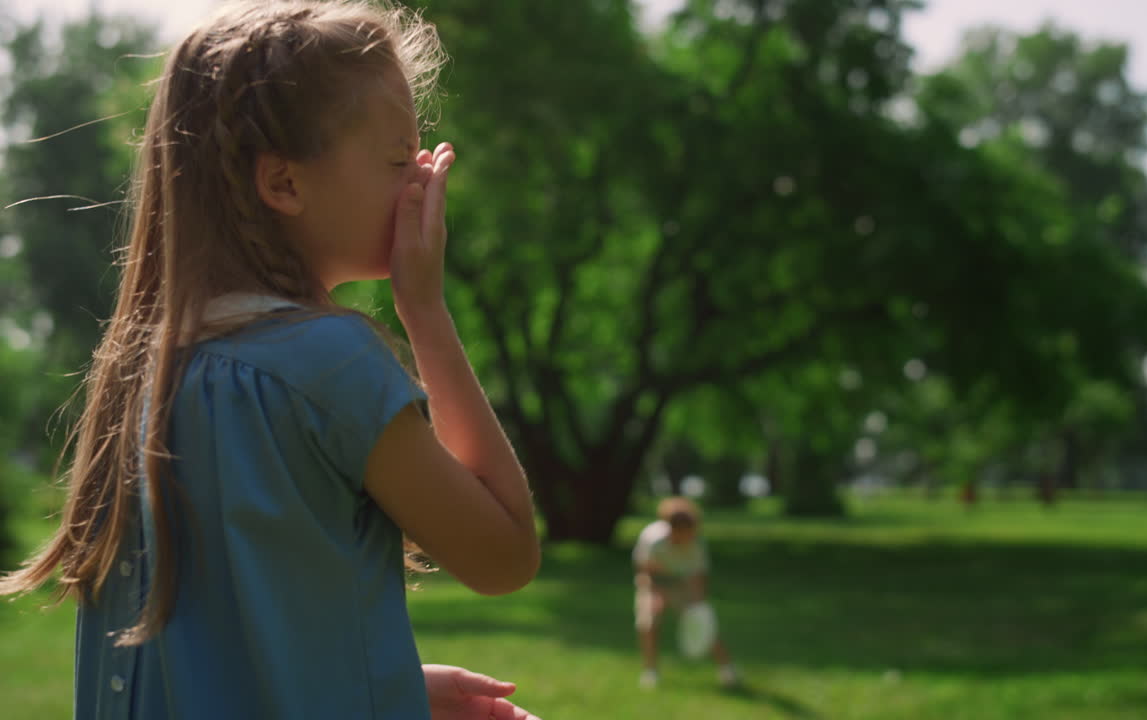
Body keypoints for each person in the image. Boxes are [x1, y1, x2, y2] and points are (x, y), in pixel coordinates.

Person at [0, 2, 542, 718]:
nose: (419, 174)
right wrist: (427, 314)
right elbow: (503, 553)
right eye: (394, 157)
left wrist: (390, 686)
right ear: (284, 183)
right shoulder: (331, 364)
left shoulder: (149, 371)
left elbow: (218, 653)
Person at [633, 496, 740, 689]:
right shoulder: (653, 539)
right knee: (648, 623)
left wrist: (698, 604)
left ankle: (727, 670)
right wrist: (655, 596)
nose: (690, 536)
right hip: (654, 582)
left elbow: (698, 576)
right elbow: (645, 571)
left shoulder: (697, 543)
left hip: (682, 584)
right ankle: (650, 672)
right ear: (672, 529)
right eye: (685, 533)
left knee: (703, 623)